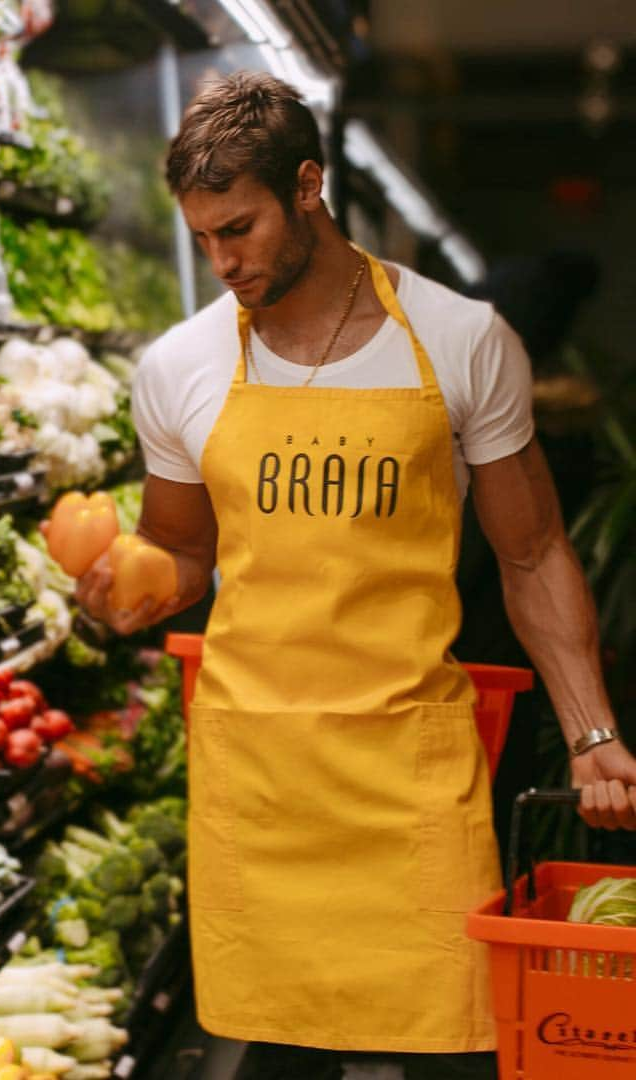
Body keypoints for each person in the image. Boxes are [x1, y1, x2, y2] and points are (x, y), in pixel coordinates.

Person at [74, 71, 636, 1080]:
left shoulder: (463, 341)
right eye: (201, 237)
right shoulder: (179, 368)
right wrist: (129, 591)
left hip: (410, 773)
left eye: (237, 229)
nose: (221, 262)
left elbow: (535, 550)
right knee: (272, 1064)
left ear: (306, 186)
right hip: (259, 782)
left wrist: (594, 734)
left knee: (456, 1056)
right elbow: (182, 551)